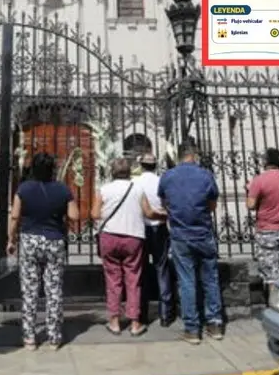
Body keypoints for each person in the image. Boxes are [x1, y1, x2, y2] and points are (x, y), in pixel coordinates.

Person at [6, 152, 78, 350]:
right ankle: (54, 336)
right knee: (53, 289)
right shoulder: (62, 189)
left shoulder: (24, 188)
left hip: (30, 240)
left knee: (29, 290)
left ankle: (29, 336)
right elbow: (74, 215)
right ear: (52, 169)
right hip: (54, 240)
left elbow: (15, 216)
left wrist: (11, 239)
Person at [158, 142, 224, 344]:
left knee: (186, 281)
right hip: (202, 232)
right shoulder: (205, 175)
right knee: (210, 278)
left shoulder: (168, 176)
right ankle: (214, 323)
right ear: (194, 155)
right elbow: (212, 205)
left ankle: (192, 328)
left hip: (180, 234)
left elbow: (164, 203)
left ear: (178, 156)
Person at [93, 157, 163, 337]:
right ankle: (135, 322)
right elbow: (149, 212)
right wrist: (165, 216)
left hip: (110, 236)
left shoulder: (104, 189)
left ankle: (114, 321)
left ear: (112, 172)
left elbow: (94, 213)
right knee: (133, 280)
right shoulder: (137, 189)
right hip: (133, 236)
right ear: (130, 172)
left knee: (113, 280)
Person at [246, 147, 279, 296]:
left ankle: (274, 301)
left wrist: (249, 190)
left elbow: (251, 205)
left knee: (270, 273)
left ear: (266, 162)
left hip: (267, 230)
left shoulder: (260, 180)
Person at [137, 153, 174, 327]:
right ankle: (165, 313)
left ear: (141, 165)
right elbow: (168, 203)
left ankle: (142, 313)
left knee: (141, 270)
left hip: (141, 228)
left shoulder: (135, 182)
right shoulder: (161, 181)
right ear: (155, 166)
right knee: (162, 268)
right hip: (159, 226)